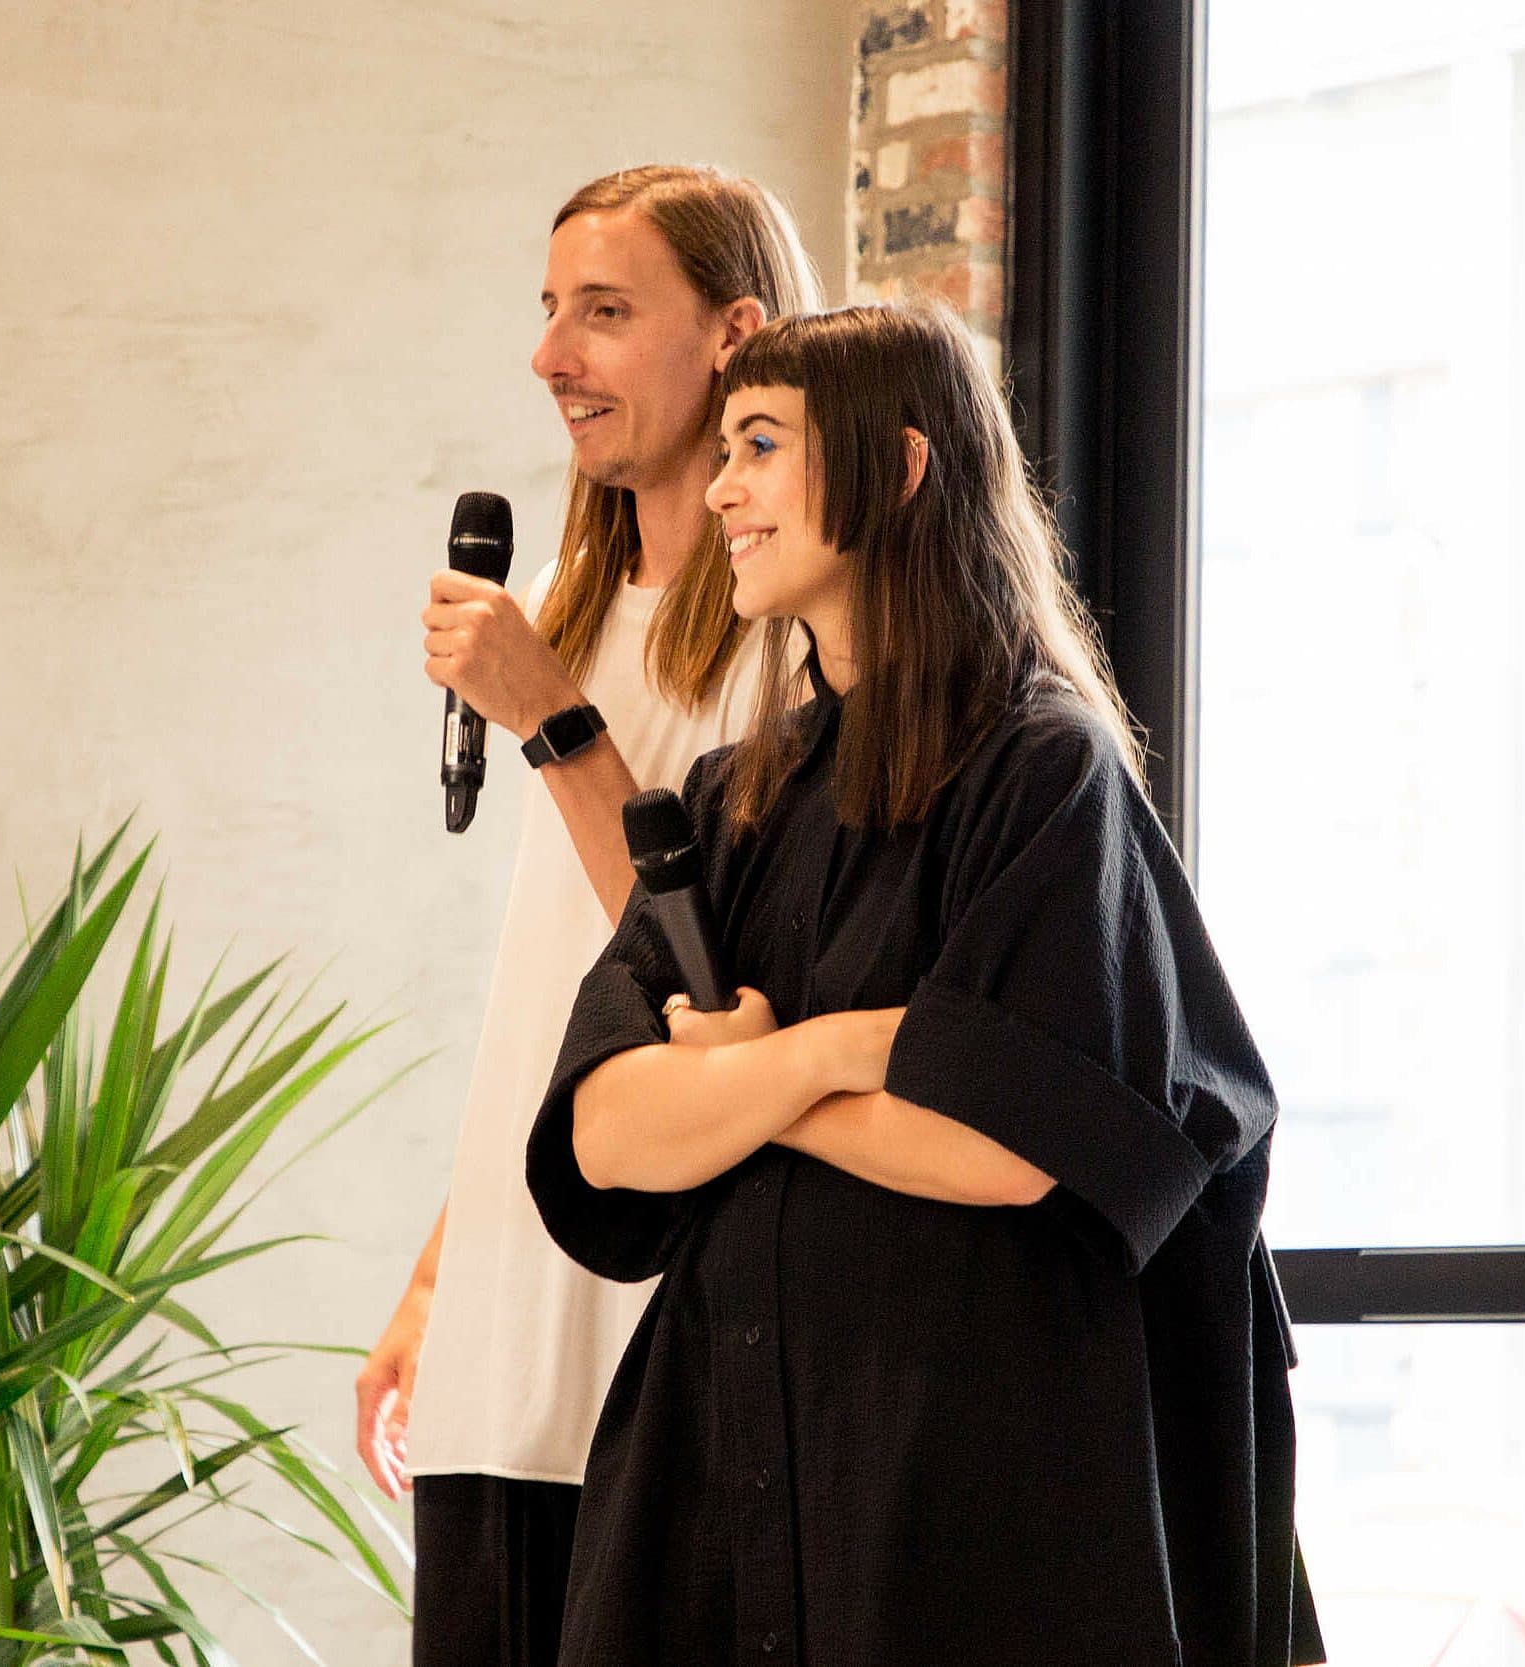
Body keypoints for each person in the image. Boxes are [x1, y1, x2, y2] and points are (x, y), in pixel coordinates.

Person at [527, 302, 1326, 1666]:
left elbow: (1004, 1145)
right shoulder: (735, 799)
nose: (720, 488)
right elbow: (606, 1133)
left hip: (971, 1502)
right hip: (734, 1468)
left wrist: (726, 1086)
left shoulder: (1042, 769)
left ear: (898, 470)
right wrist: (835, 1056)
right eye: (723, 448)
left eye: (760, 445)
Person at [352, 165, 823, 1667]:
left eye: (605, 312)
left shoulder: (796, 636)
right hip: (510, 1308)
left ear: (738, 332)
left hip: (660, 1319)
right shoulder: (559, 594)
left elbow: (700, 992)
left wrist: (558, 730)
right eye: (551, 311)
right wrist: (444, 1268)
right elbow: (555, 982)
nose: (554, 354)